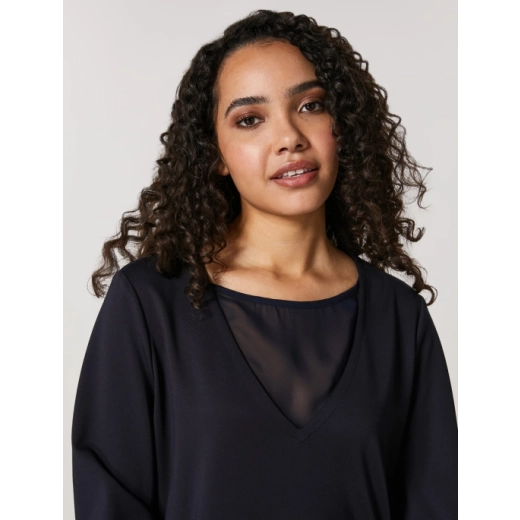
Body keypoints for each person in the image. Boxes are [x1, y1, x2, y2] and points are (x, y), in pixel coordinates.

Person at [72, 9, 459, 520]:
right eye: (250, 119)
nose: (289, 136)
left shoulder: (400, 318)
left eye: (311, 105)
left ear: (342, 126)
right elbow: (109, 500)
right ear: (216, 154)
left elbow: (437, 503)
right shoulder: (149, 303)